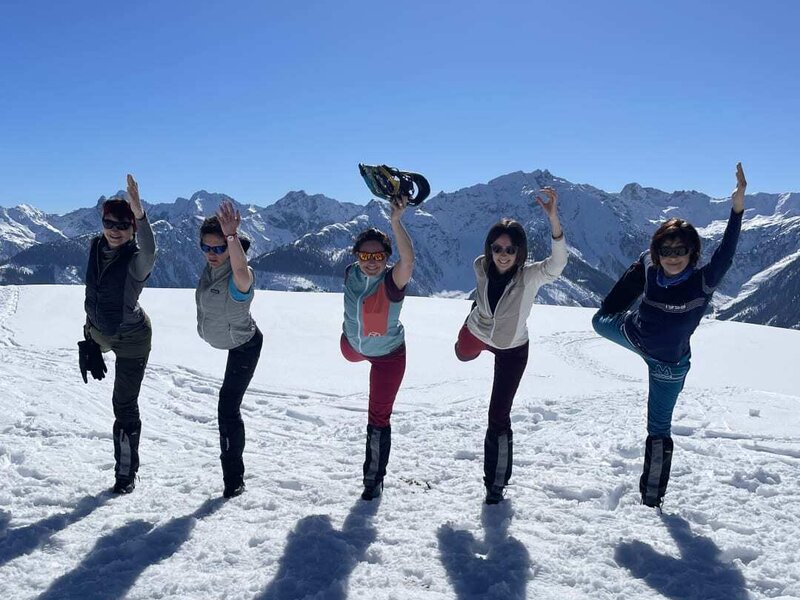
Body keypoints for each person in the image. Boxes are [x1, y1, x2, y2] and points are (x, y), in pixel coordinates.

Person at [592, 163, 747, 509]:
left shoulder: (704, 280)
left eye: (680, 251)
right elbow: (612, 307)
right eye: (666, 250)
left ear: (692, 253)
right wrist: (645, 266)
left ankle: (651, 497)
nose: (673, 257)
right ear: (658, 253)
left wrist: (737, 208)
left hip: (669, 364)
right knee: (600, 320)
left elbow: (728, 249)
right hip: (636, 335)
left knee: (658, 429)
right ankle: (636, 298)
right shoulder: (652, 269)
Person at [455, 187, 567, 505]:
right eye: (497, 248)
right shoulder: (481, 266)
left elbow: (557, 265)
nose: (503, 254)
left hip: (511, 347)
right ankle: (469, 328)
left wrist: (553, 219)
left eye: (510, 249)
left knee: (498, 415)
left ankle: (496, 484)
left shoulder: (529, 277)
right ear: (489, 250)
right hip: (477, 331)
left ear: (520, 252)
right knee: (461, 354)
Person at [82, 174, 156, 494]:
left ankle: (125, 472)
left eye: (123, 225)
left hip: (132, 338)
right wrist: (88, 337)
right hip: (100, 332)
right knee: (120, 402)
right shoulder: (96, 247)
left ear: (132, 230)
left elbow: (151, 251)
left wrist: (140, 213)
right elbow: (95, 295)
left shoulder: (136, 261)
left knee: (123, 405)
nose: (115, 229)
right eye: (109, 222)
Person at [341, 195, 414, 501]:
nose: (371, 263)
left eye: (378, 257)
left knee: (378, 418)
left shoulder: (391, 283)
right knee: (349, 349)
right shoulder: (351, 274)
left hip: (388, 357)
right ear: (356, 256)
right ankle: (352, 344)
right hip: (353, 347)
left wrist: (395, 221)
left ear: (387, 259)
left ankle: (373, 479)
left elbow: (408, 261)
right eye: (364, 256)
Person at [196, 200, 262, 499]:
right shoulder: (212, 270)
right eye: (206, 248)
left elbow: (240, 268)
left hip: (244, 345)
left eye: (218, 248)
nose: (212, 254)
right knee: (227, 408)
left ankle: (233, 480)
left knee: (227, 409)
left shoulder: (239, 278)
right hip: (228, 339)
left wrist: (232, 237)